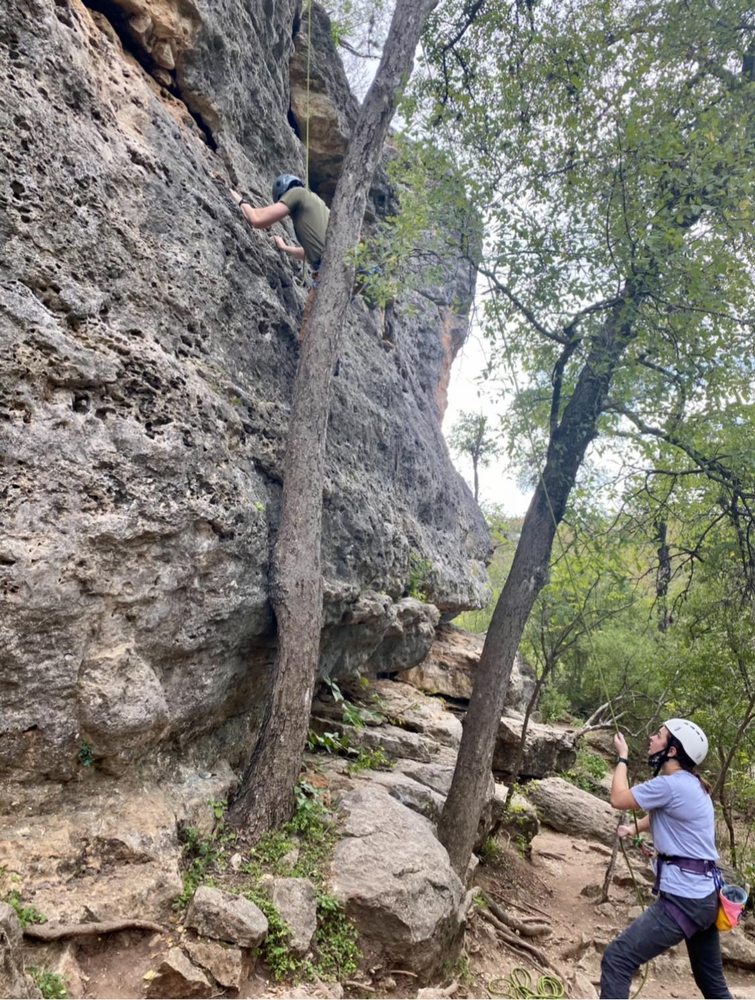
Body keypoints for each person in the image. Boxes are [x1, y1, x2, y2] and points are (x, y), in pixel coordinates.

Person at [600, 719, 731, 999]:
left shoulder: (670, 785)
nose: (651, 737)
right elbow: (665, 812)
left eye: (659, 735)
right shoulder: (691, 785)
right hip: (707, 897)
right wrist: (634, 828)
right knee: (712, 984)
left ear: (672, 751)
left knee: (617, 959)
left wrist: (622, 757)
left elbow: (618, 798)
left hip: (685, 899)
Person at [230, 174, 329, 340]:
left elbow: (257, 219)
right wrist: (285, 248)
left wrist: (239, 200)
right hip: (342, 272)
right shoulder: (320, 207)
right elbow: (311, 251)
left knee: (309, 335)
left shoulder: (298, 193)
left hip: (326, 274)